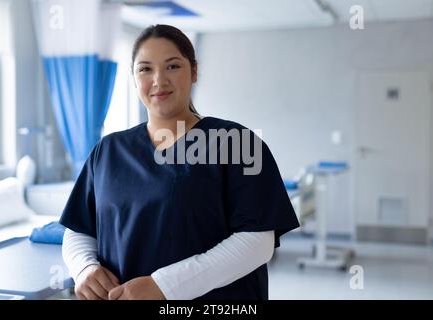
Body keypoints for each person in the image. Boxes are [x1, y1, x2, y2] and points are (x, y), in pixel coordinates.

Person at [60, 24, 299, 300]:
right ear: (134, 78)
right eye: (145, 69)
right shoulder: (108, 151)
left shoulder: (237, 143)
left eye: (172, 66)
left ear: (194, 72)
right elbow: (79, 229)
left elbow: (257, 242)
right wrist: (84, 268)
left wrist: (165, 286)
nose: (159, 81)